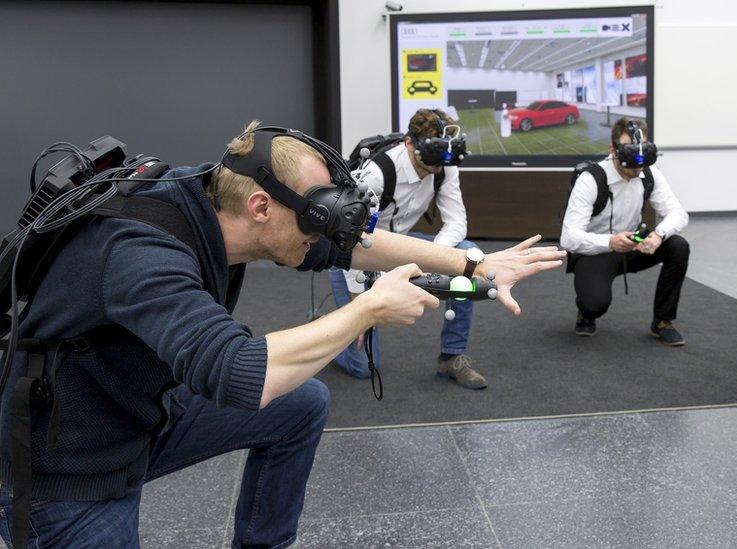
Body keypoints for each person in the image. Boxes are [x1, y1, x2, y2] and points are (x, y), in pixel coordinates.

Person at [0, 120, 564, 548]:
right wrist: (366, 310)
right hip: (69, 467)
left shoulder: (218, 197)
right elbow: (243, 372)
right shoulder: (140, 251)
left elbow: (352, 243)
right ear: (261, 205)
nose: (324, 237)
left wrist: (473, 267)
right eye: (317, 218)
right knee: (276, 385)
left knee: (303, 402)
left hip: (138, 411)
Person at [331, 108, 489, 389]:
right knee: (364, 367)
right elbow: (346, 235)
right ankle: (330, 335)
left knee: (467, 256)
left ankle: (451, 356)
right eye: (433, 154)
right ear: (409, 143)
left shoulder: (443, 167)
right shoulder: (377, 174)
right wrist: (358, 302)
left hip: (402, 242)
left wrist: (436, 257)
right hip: (354, 251)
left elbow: (456, 222)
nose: (439, 166)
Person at [560, 117, 690, 345]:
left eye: (642, 155)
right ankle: (586, 313)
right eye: (631, 155)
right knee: (594, 304)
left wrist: (658, 235)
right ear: (613, 150)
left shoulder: (647, 173)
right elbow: (568, 238)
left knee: (678, 246)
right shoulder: (591, 179)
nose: (638, 166)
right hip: (597, 250)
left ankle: (662, 321)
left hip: (633, 245)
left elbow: (678, 213)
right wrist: (609, 242)